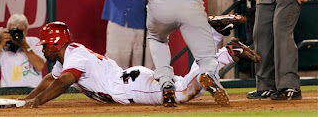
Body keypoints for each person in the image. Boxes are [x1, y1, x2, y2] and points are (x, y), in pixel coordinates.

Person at [41, 0, 281, 107]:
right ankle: (209, 69)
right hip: (192, 2)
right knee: (205, 56)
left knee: (158, 39)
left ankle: (166, 81)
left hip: (160, 3)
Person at [24, 21, 260, 108]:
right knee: (182, 86)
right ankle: (218, 39)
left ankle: (226, 50)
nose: (43, 49)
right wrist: (30, 97)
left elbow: (65, 81)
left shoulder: (75, 57)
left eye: (45, 44)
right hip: (131, 78)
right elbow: (51, 79)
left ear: (56, 44)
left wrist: (38, 102)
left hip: (128, 86)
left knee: (181, 94)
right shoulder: (69, 54)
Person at [0, 14, 46, 87]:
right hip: (8, 93)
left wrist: (24, 46)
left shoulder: (34, 42)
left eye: (20, 31)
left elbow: (40, 66)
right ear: (8, 31)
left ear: (26, 32)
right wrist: (1, 44)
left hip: (33, 92)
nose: (16, 35)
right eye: (13, 31)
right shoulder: (2, 46)